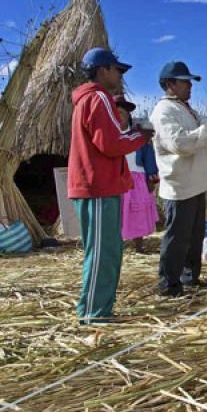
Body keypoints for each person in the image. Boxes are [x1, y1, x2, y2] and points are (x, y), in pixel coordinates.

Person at [67, 48, 151, 324]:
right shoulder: (98, 98)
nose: (119, 76)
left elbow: (107, 141)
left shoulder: (89, 100)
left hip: (99, 186)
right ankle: (93, 313)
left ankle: (100, 309)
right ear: (103, 70)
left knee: (109, 250)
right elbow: (111, 145)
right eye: (117, 70)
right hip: (98, 187)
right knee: (102, 253)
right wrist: (140, 137)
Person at [150, 61, 207, 297]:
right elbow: (179, 143)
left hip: (195, 182)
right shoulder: (164, 111)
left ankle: (190, 278)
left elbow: (204, 128)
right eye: (185, 81)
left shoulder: (186, 109)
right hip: (180, 184)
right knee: (177, 237)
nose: (190, 86)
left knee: (194, 235)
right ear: (170, 84)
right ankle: (168, 284)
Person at [115, 94, 159, 253]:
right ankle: (117, 245)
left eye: (122, 113)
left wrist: (151, 177)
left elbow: (148, 156)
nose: (119, 117)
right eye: (115, 113)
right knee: (118, 212)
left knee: (138, 211)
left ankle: (139, 245)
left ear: (128, 115)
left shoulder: (139, 136)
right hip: (117, 180)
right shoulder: (109, 136)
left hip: (137, 179)